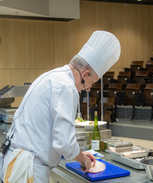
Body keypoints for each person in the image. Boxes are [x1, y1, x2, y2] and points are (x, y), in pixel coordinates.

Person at [0, 30, 121, 182]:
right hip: (28, 167)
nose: (89, 88)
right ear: (85, 74)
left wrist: (79, 153)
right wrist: (83, 159)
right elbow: (64, 142)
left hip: (16, 160)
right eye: (93, 81)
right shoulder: (66, 86)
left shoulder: (53, 76)